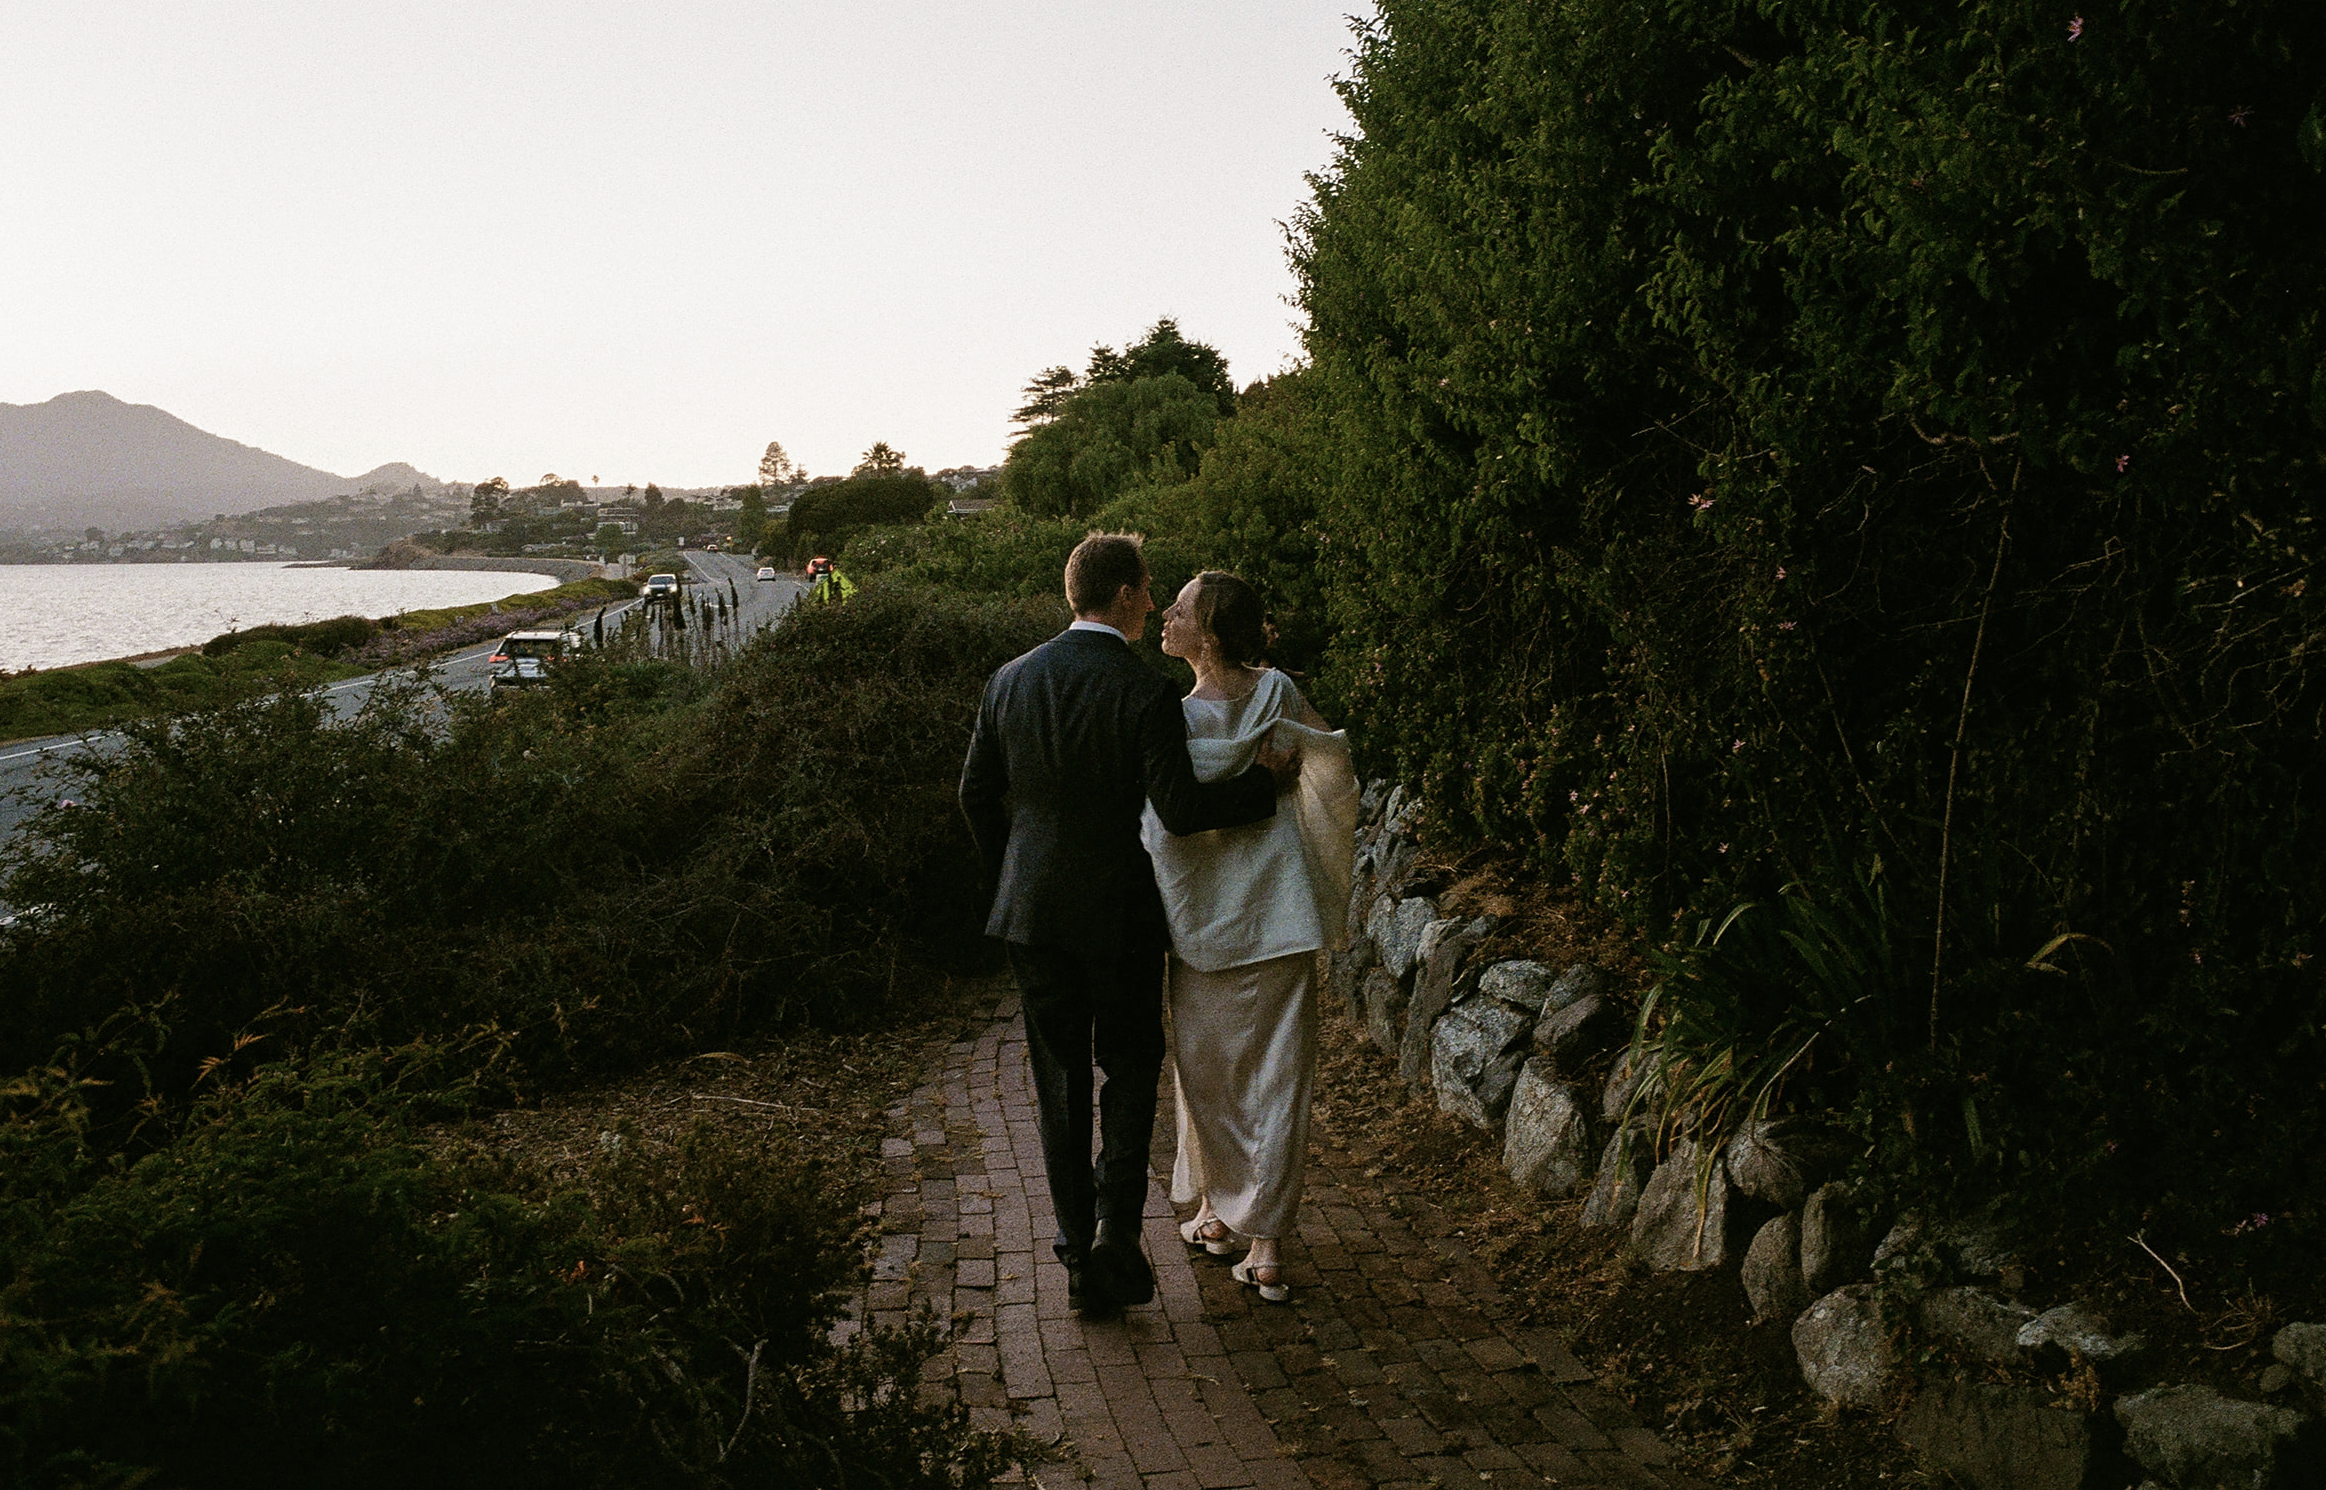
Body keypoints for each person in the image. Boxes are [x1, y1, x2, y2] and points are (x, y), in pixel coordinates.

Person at [959, 533, 1301, 1317]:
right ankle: (1119, 1228)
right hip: (1120, 917)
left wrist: (1007, 880)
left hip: (1032, 917)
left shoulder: (1009, 679)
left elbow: (975, 796)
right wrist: (1261, 788)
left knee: (1060, 1084)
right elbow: (1180, 812)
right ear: (1120, 595)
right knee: (1130, 1069)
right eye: (1148, 589)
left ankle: (1079, 1254)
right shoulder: (1144, 692)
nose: (1153, 602)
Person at [1143, 571, 1356, 1304]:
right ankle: (1248, 1232)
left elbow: (1161, 826)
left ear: (1207, 634)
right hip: (1278, 914)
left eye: (1179, 608)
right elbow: (1333, 760)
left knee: (1210, 1082)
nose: (1164, 615)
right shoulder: (1279, 697)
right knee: (1276, 1080)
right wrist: (1287, 783)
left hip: (1203, 925)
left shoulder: (1173, 720)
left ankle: (1243, 1226)